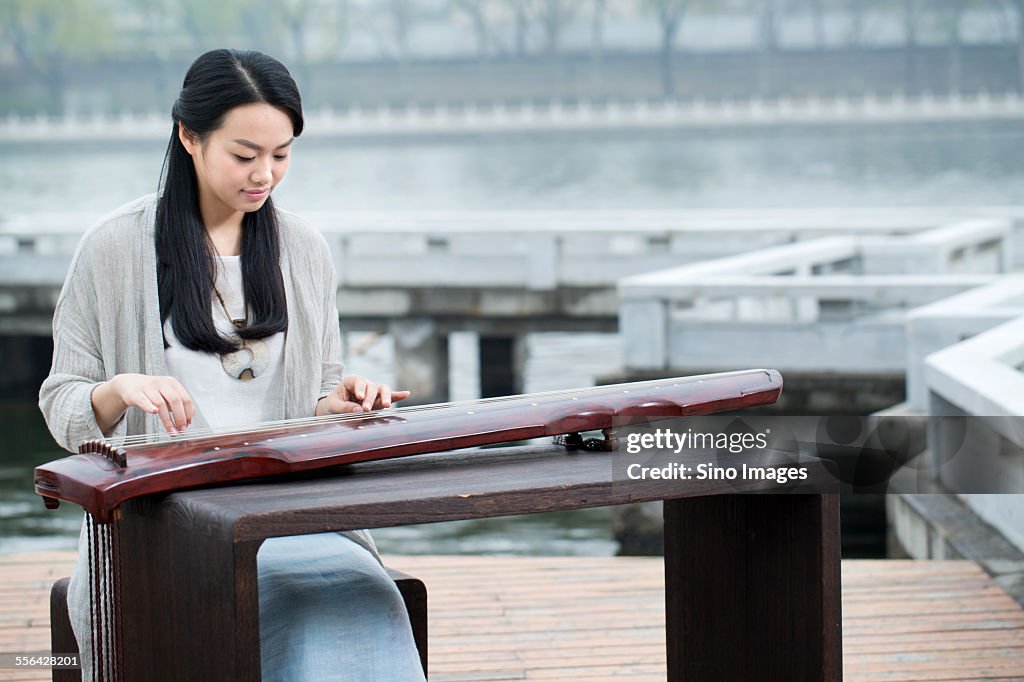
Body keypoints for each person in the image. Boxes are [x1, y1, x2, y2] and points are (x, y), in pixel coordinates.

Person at [38, 48, 425, 681]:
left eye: (282, 154)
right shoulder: (113, 248)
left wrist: (342, 402)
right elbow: (62, 403)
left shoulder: (302, 248)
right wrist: (117, 389)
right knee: (274, 609)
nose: (265, 175)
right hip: (163, 524)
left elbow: (320, 393)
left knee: (359, 603)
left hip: (290, 517)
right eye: (244, 156)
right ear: (189, 136)